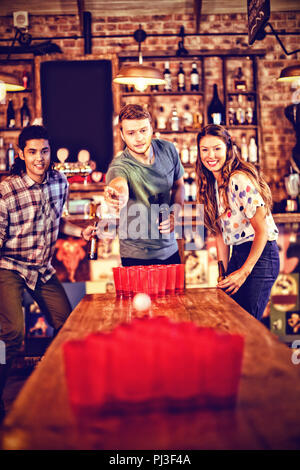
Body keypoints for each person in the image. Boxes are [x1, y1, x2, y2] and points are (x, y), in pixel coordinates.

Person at [0, 125, 94, 420]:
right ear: (21, 154)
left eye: (44, 151)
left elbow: (57, 221)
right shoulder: (7, 190)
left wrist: (81, 231)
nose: (39, 158)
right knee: (12, 334)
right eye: (32, 152)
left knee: (68, 327)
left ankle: (59, 392)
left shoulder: (59, 181)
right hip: (10, 267)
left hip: (42, 269)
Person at [195, 124, 280, 320]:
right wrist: (222, 273)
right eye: (205, 150)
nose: (211, 155)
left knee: (248, 324)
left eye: (217, 148)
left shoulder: (238, 179)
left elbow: (262, 231)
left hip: (261, 255)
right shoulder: (213, 184)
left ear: (228, 149)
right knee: (230, 319)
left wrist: (243, 272)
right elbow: (220, 234)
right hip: (239, 253)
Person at [104, 104, 185, 266]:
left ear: (151, 128)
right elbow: (119, 184)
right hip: (135, 256)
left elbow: (179, 186)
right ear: (122, 135)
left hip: (170, 249)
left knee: (176, 293)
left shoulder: (168, 150)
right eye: (131, 133)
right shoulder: (119, 166)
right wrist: (117, 193)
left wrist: (173, 215)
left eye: (143, 130)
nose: (139, 138)